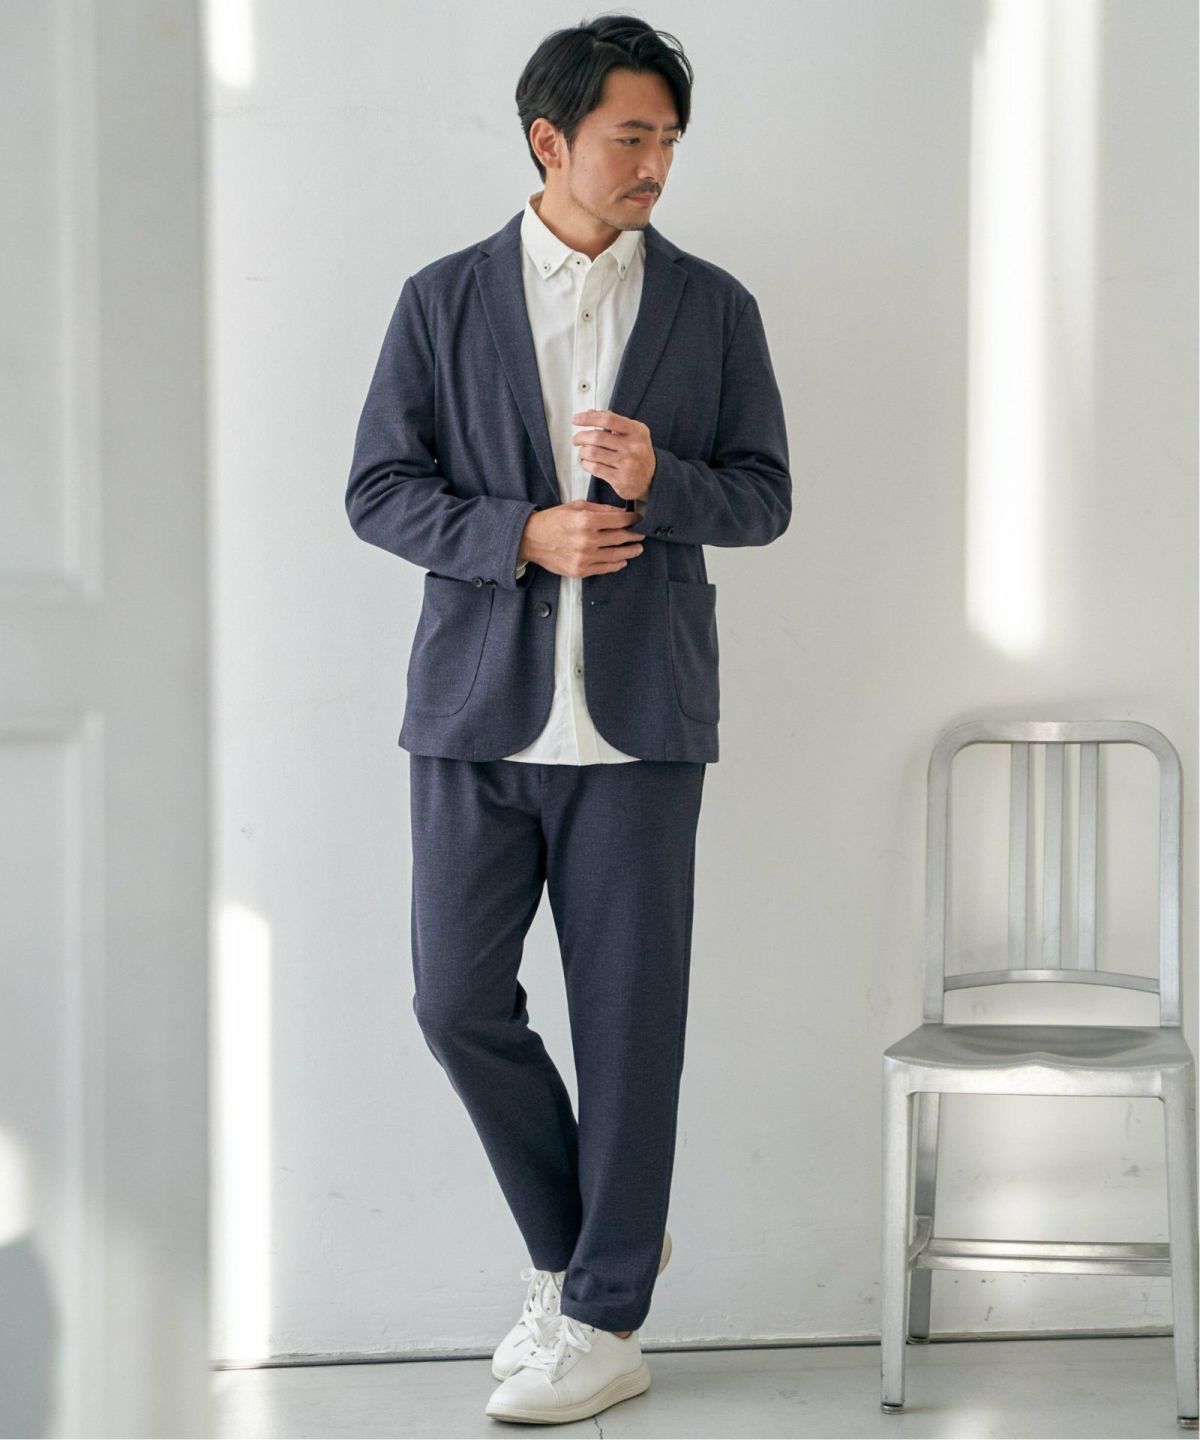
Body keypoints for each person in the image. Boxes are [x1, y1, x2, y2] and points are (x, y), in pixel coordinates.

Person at [346, 14, 790, 1425]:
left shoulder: (714, 309)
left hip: (644, 724)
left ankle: (604, 1320)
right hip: (474, 717)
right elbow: (378, 489)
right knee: (455, 1002)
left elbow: (766, 497)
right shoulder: (442, 299)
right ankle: (577, 1260)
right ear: (551, 140)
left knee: (630, 1027)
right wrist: (518, 534)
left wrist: (665, 482)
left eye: (669, 139)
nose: (656, 163)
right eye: (630, 136)